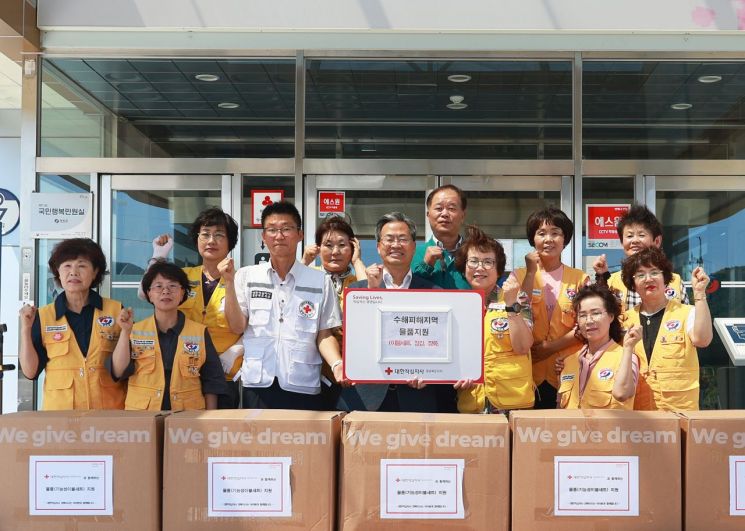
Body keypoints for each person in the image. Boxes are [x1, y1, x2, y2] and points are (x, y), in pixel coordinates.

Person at [221, 201, 345, 410]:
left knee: (301, 442)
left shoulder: (320, 281)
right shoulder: (246, 276)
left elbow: (324, 334)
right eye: (272, 230)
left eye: (287, 229)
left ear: (300, 234)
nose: (279, 236)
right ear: (263, 236)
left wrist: (336, 363)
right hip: (257, 381)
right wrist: (229, 284)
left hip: (302, 382)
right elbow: (237, 327)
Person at [336, 212, 446, 413]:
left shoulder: (434, 293)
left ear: (414, 247)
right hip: (366, 398)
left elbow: (438, 346)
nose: (396, 244)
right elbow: (355, 340)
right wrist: (373, 293)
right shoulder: (358, 291)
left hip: (417, 399)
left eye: (403, 239)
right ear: (378, 247)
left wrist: (430, 374)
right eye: (389, 239)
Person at [144, 207, 243, 408]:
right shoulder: (183, 276)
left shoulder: (243, 279)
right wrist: (158, 256)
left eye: (219, 235)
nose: (211, 241)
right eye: (205, 234)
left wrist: (236, 350)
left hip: (225, 375)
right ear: (197, 239)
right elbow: (146, 292)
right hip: (185, 372)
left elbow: (248, 327)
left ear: (230, 242)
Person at [19, 238, 126, 410]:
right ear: (58, 273)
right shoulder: (44, 315)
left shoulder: (115, 311)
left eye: (82, 266)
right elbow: (30, 372)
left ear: (95, 272)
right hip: (61, 419)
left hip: (108, 416)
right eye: (67, 266)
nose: (73, 272)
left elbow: (125, 368)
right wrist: (25, 329)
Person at [112, 261, 226, 410]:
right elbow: (118, 371)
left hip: (188, 421)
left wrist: (210, 420)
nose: (165, 291)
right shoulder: (134, 330)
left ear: (182, 293)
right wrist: (125, 332)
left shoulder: (199, 332)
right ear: (149, 294)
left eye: (172, 286)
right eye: (158, 286)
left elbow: (212, 382)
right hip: (143, 419)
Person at [513, 207, 589, 409]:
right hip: (527, 372)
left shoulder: (581, 279)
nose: (549, 239)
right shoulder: (517, 276)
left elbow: (590, 324)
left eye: (556, 233)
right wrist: (530, 274)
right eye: (541, 233)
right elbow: (515, 313)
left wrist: (550, 348)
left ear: (565, 239)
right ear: (532, 239)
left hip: (567, 368)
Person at [454, 225, 535, 413]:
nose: (480, 268)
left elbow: (523, 346)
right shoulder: (457, 304)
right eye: (473, 261)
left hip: (512, 405)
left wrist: (510, 305)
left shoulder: (517, 298)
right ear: (463, 267)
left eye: (488, 262)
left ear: (498, 270)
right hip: (472, 403)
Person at [621, 247, 712, 411]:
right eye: (640, 275)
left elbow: (703, 339)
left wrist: (699, 294)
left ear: (666, 278)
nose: (648, 279)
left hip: (679, 415)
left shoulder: (687, 312)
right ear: (633, 284)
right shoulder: (624, 321)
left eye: (654, 272)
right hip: (637, 417)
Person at [301, 216, 367, 408]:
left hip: (351, 372)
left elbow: (368, 298)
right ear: (318, 248)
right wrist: (304, 261)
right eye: (328, 245)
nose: (335, 252)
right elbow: (289, 289)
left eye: (342, 245)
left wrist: (358, 261)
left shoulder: (358, 277)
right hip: (311, 372)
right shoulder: (311, 277)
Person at [558, 284, 642, 410]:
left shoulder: (626, 357)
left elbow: (622, 393)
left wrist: (628, 348)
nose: (589, 320)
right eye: (582, 315)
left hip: (612, 430)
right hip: (572, 429)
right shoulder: (567, 362)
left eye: (596, 313)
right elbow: (559, 412)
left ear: (611, 316)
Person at [594, 204, 688, 313]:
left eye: (641, 235)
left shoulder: (675, 281)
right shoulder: (611, 281)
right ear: (622, 242)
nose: (634, 241)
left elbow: (687, 321)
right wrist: (602, 276)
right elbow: (600, 315)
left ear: (657, 241)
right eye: (629, 236)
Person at [411, 184, 470, 289]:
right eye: (439, 208)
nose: (445, 214)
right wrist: (425, 265)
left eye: (451, 208)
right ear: (428, 215)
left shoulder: (476, 253)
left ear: (463, 216)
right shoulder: (412, 254)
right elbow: (404, 289)